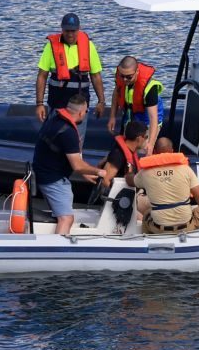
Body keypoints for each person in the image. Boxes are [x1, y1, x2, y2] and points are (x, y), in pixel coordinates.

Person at [31, 93, 107, 235]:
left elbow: (69, 158)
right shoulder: (68, 132)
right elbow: (77, 165)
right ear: (80, 113)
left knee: (62, 215)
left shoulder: (54, 120)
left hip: (43, 170)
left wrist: (86, 173)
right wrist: (99, 172)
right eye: (86, 112)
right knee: (66, 219)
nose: (86, 114)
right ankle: (58, 252)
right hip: (52, 179)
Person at [126, 138, 199, 234]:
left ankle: (146, 241)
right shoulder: (185, 169)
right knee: (197, 212)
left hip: (160, 229)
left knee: (147, 214)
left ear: (155, 152)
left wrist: (129, 173)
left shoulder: (145, 172)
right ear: (172, 151)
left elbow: (131, 181)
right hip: (185, 227)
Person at [35, 13, 106, 124]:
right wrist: (39, 104)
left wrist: (101, 101)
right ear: (62, 29)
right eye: (67, 31)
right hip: (57, 103)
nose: (70, 34)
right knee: (55, 137)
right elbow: (42, 76)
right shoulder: (51, 46)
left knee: (77, 139)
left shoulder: (89, 46)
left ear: (79, 29)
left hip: (79, 107)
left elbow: (96, 76)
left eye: (73, 31)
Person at [108, 56, 166, 152]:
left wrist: (150, 145)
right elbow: (116, 93)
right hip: (130, 117)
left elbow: (153, 118)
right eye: (122, 76)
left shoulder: (150, 88)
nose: (125, 80)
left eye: (129, 77)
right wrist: (112, 117)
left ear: (137, 72)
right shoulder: (121, 78)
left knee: (142, 150)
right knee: (124, 148)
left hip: (147, 121)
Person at [99, 119, 149, 185]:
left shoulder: (132, 153)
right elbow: (105, 180)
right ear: (139, 139)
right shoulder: (118, 155)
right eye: (146, 137)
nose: (146, 140)